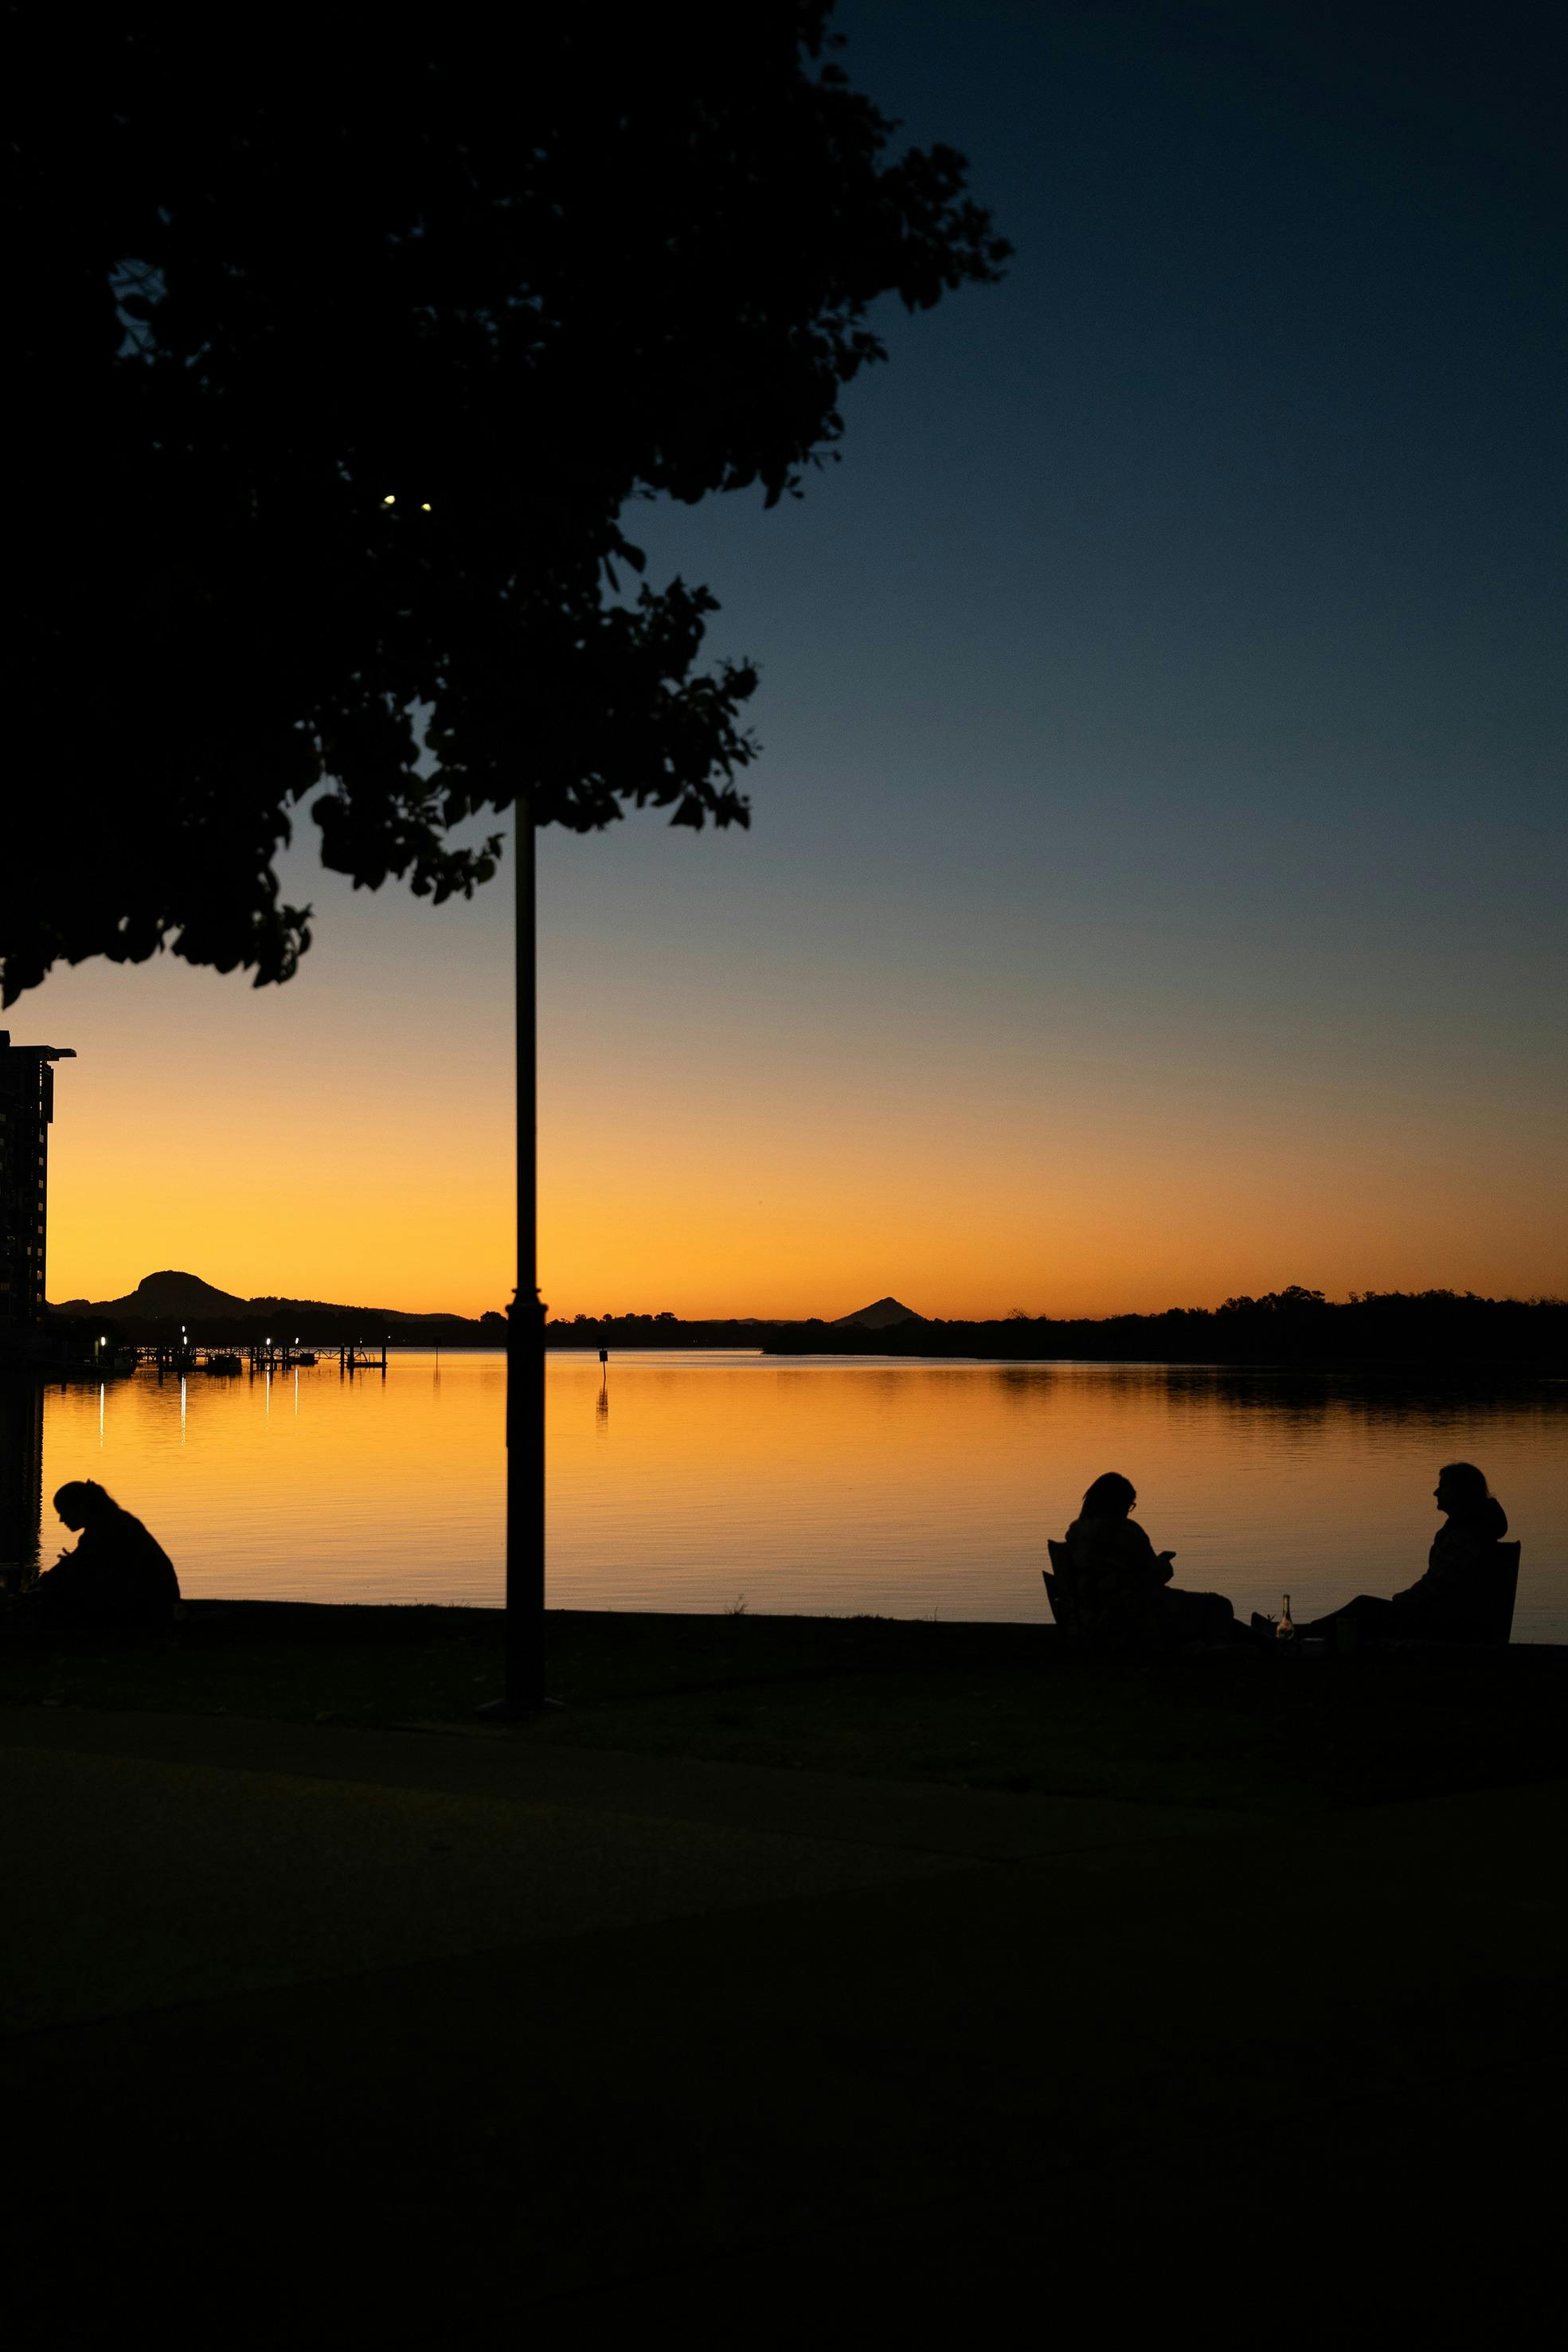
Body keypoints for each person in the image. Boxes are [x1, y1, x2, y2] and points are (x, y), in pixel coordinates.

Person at [1292, 1464, 1511, 1647]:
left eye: (1442, 1487)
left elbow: (1435, 1586)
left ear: (1459, 1492)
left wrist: (1399, 1604)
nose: (1435, 1492)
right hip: (1450, 1618)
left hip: (1449, 1624)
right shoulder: (1472, 1530)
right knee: (1365, 1610)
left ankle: (1297, 1635)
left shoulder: (1465, 1535)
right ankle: (1302, 1633)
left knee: (1364, 1607)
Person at [1062, 1473, 1236, 1644]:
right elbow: (1156, 1575)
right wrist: (1164, 1563)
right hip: (1134, 1615)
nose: (1128, 1511)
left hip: (1093, 1617)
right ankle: (1219, 1654)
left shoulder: (1075, 1532)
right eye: (1128, 1505)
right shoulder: (1125, 1531)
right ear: (1117, 1503)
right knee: (1219, 1605)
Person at [12, 1481, 180, 1630]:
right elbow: (74, 1566)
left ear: (81, 1507)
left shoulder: (108, 1528)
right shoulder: (108, 1523)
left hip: (151, 1604)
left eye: (64, 1512)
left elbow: (81, 1570)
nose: (62, 1520)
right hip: (153, 1599)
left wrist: (40, 1589)